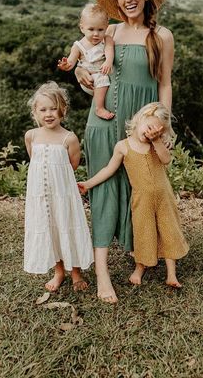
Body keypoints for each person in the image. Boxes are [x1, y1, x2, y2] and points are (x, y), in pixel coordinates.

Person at [75, 0, 174, 303]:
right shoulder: (109, 32)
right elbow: (86, 67)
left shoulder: (160, 36)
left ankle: (142, 253)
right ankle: (102, 272)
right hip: (103, 122)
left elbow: (164, 84)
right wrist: (80, 76)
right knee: (103, 188)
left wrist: (163, 127)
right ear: (115, 1)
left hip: (141, 126)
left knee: (141, 187)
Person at [78, 102, 188, 288]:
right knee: (143, 233)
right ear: (139, 120)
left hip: (164, 198)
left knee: (169, 231)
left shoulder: (157, 144)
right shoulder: (123, 146)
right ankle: (139, 268)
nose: (151, 133)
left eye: (157, 131)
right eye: (149, 128)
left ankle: (171, 274)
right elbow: (109, 169)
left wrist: (156, 141)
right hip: (141, 200)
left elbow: (166, 160)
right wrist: (88, 184)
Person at [23, 81, 93, 292]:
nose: (49, 114)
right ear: (35, 112)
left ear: (63, 110)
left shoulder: (68, 138)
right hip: (41, 196)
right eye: (43, 109)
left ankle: (76, 273)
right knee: (49, 229)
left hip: (63, 194)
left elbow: (72, 164)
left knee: (67, 227)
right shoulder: (31, 136)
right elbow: (33, 158)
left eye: (53, 108)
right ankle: (59, 271)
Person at [57, 3, 115, 120]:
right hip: (89, 79)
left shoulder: (107, 39)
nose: (96, 34)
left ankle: (103, 103)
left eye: (100, 29)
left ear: (106, 27)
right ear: (82, 28)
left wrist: (108, 61)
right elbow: (71, 62)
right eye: (91, 29)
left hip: (101, 74)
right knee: (102, 78)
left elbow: (109, 50)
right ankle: (99, 108)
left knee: (103, 80)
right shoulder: (78, 46)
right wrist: (66, 65)